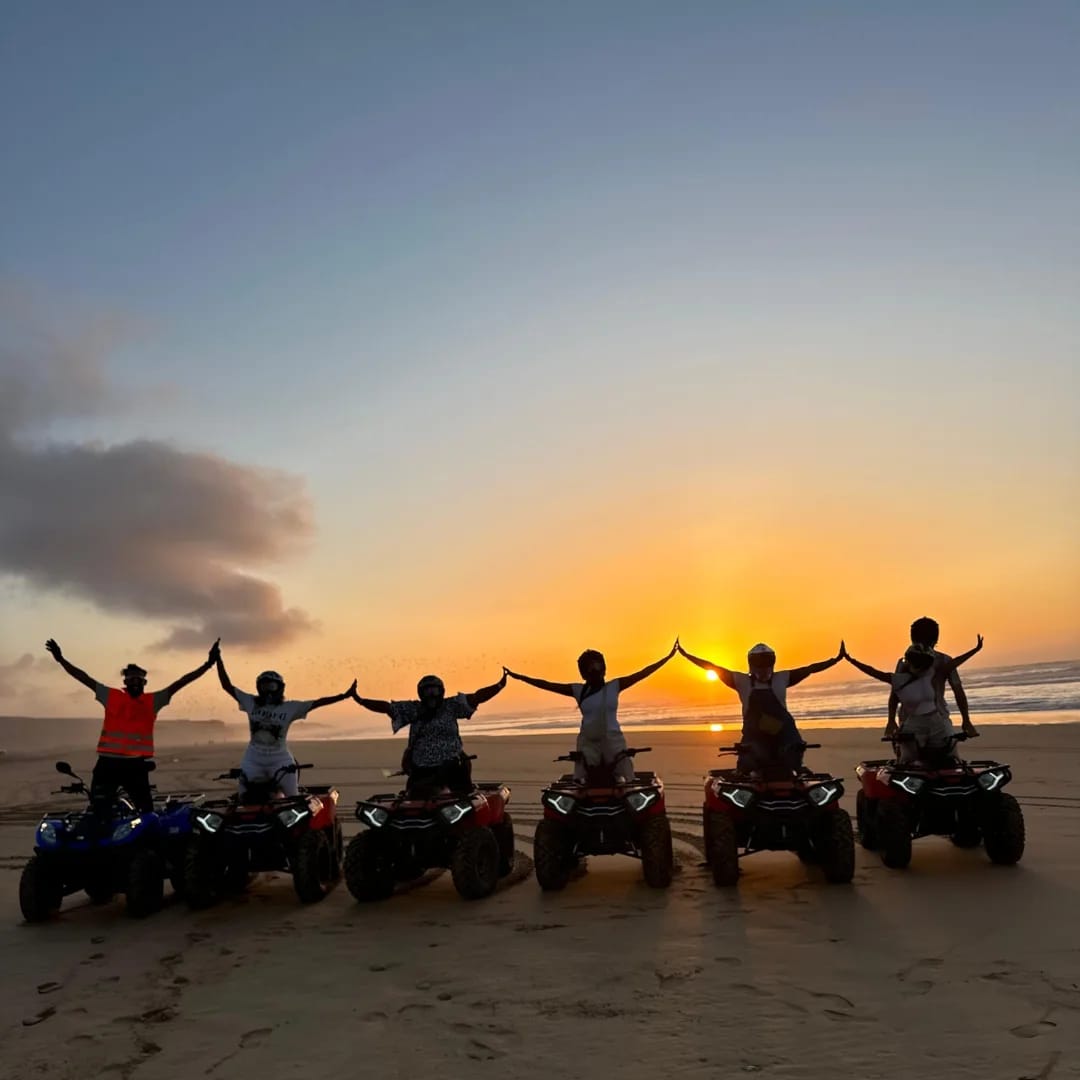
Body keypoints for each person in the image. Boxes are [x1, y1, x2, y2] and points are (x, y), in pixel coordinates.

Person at [45, 637, 219, 812]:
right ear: (125, 682)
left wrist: (207, 665)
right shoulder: (112, 696)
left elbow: (181, 682)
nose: (135, 684)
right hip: (107, 764)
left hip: (135, 766)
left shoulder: (153, 701)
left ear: (145, 683)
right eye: (131, 680)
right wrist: (61, 660)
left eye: (139, 681)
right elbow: (84, 678)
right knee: (99, 811)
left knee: (146, 812)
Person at [505, 641, 677, 783]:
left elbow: (643, 673)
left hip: (614, 742)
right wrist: (519, 677)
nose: (595, 671)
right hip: (588, 745)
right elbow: (546, 684)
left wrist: (668, 657)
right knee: (583, 781)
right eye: (589, 668)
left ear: (604, 669)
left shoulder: (614, 686)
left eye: (597, 666)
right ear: (583, 673)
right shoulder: (578, 690)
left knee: (627, 779)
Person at [678, 640, 846, 774]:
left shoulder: (783, 677)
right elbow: (712, 667)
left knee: (794, 750)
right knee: (748, 761)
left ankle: (796, 766)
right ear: (751, 664)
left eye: (767, 662)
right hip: (754, 734)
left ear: (773, 663)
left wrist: (836, 660)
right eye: (759, 663)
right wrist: (686, 655)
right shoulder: (740, 680)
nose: (763, 667)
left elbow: (810, 669)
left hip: (783, 732)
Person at [215, 654, 356, 798]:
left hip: (280, 760)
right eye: (264, 687)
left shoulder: (290, 707)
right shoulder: (250, 702)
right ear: (258, 688)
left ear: (280, 688)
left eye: (272, 686)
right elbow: (227, 686)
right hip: (253, 760)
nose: (268, 691)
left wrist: (343, 696)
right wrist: (218, 660)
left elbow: (318, 702)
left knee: (293, 797)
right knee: (244, 797)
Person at [351, 671, 508, 794]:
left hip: (452, 766)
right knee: (412, 797)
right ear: (421, 693)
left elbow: (476, 698)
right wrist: (360, 700)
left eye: (435, 691)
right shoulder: (412, 709)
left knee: (465, 797)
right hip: (422, 768)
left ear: (441, 691)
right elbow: (387, 708)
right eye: (427, 691)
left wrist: (499, 685)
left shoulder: (451, 705)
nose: (432, 695)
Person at [846, 635, 983, 763]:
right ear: (909, 663)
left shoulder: (933, 675)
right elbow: (873, 672)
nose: (921, 668)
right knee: (907, 760)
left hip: (937, 723)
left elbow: (954, 663)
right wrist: (851, 660)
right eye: (916, 663)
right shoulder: (898, 680)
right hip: (913, 725)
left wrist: (975, 650)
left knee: (951, 757)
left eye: (924, 663)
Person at [890, 616, 979, 739]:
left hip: (909, 720)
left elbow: (895, 694)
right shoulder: (944, 660)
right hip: (938, 719)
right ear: (936, 639)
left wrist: (891, 720)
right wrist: (966, 720)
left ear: (912, 639)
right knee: (949, 747)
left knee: (905, 748)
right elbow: (958, 691)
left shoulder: (904, 663)